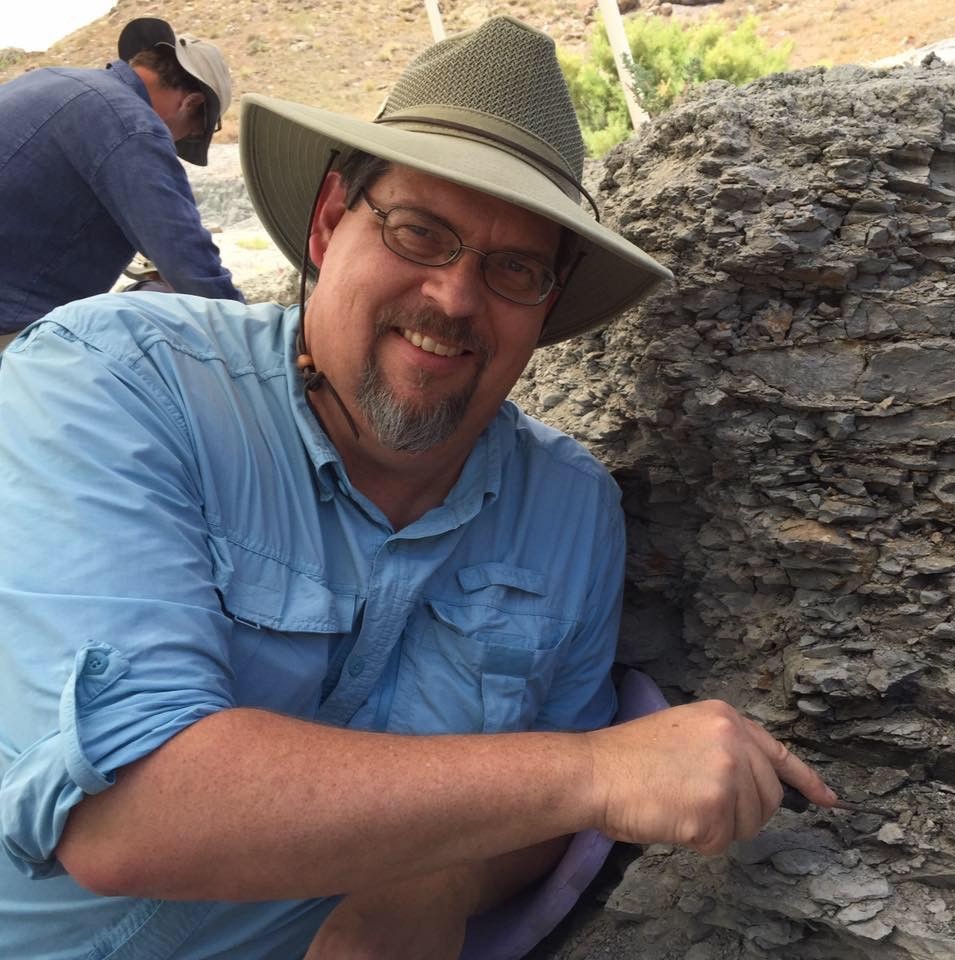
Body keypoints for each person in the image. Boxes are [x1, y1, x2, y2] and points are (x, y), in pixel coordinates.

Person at [0, 16, 837, 960]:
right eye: (419, 231)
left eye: (515, 267)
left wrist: (445, 875)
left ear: (548, 307)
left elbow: (535, 816)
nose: (454, 297)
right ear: (328, 222)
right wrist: (592, 772)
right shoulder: (116, 379)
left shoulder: (572, 513)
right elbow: (128, 812)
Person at [0, 16, 243, 336]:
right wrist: (250, 332)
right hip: (11, 328)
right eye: (187, 135)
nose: (175, 143)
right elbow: (188, 260)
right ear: (190, 103)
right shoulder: (133, 125)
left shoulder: (50, 79)